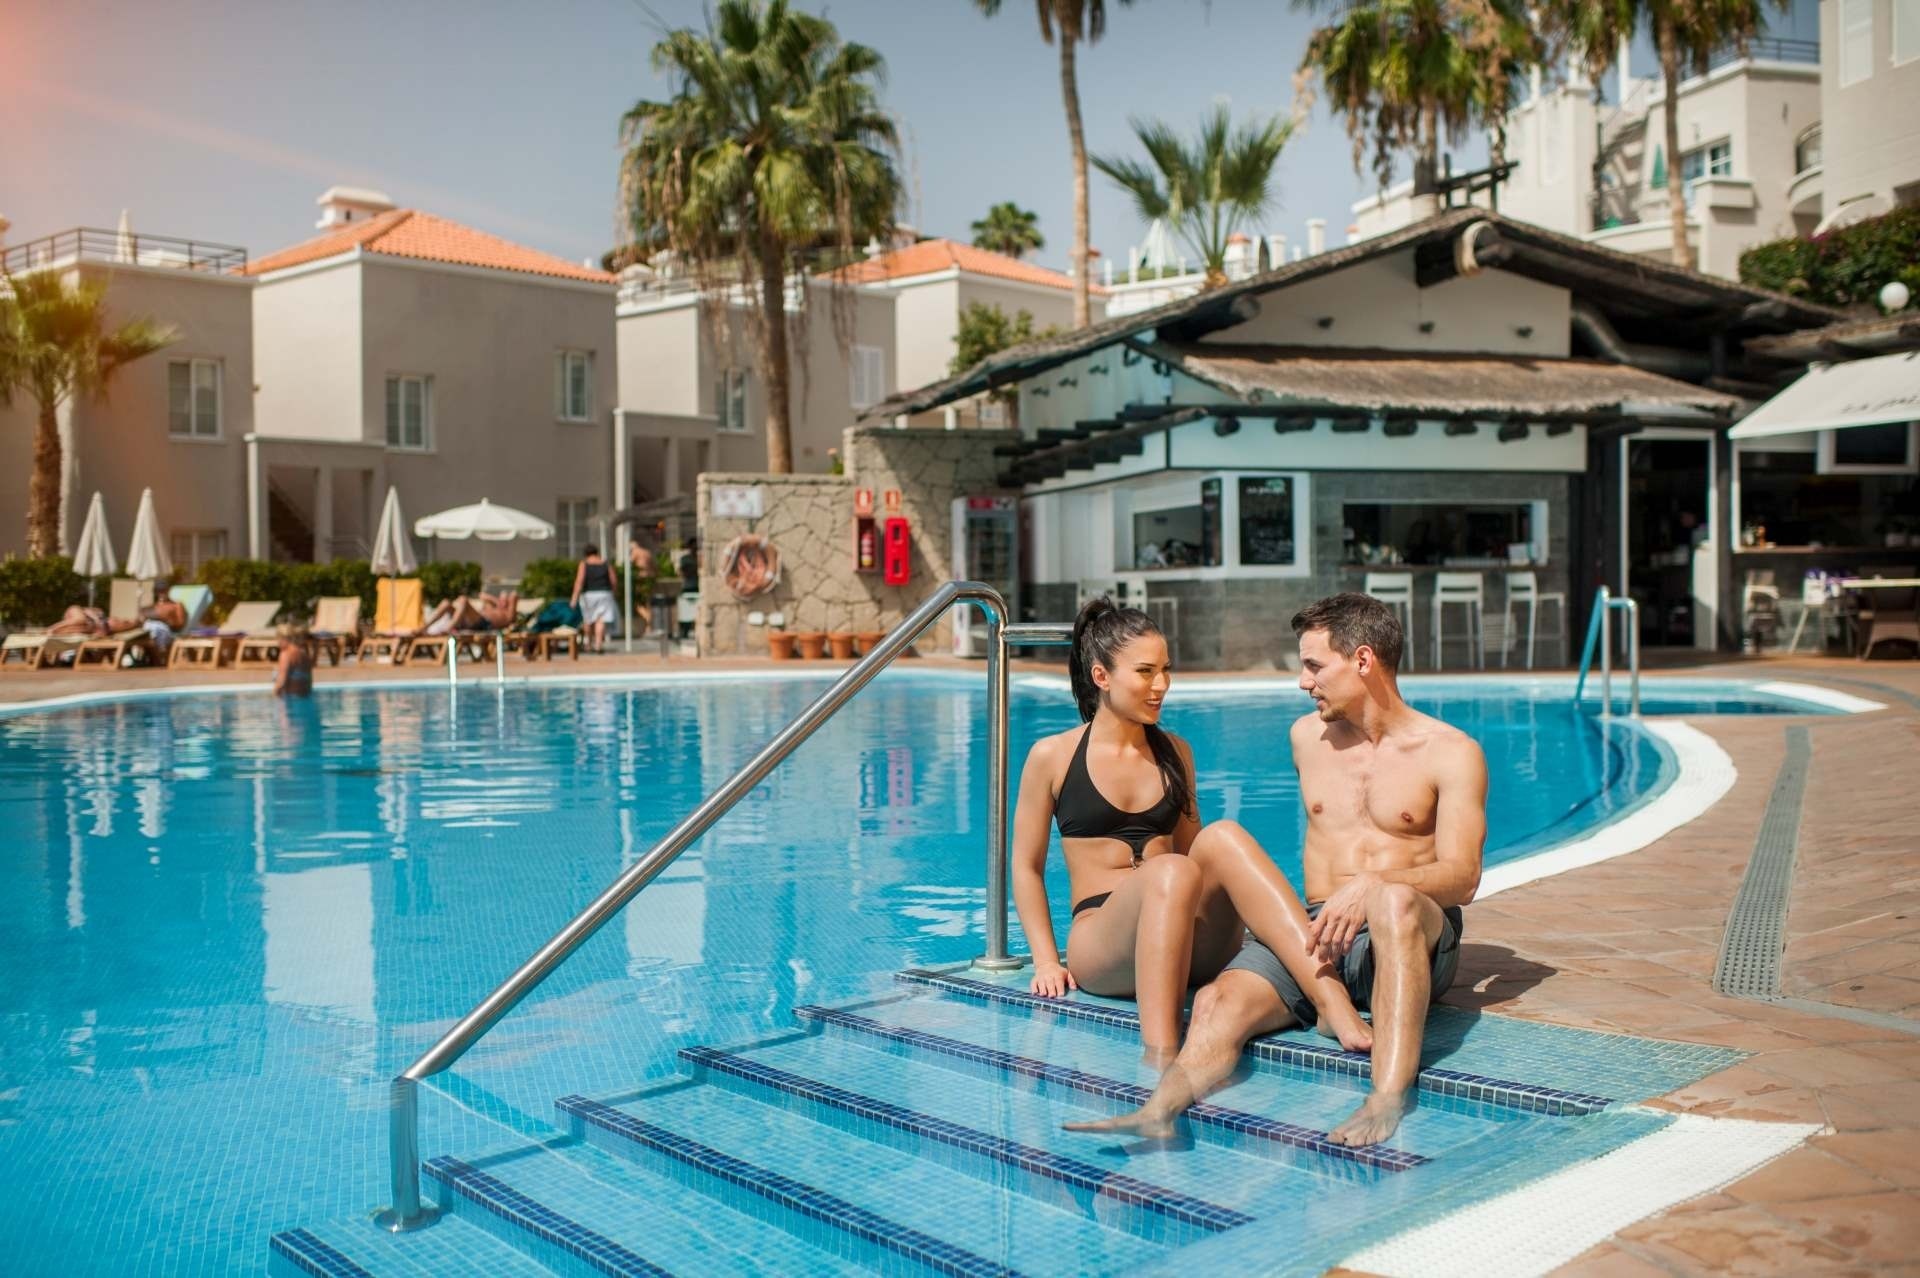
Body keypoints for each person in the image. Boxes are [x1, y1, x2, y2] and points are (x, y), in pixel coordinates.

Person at [1066, 592, 1486, 1148]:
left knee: (1393, 902)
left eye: (1313, 666)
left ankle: (1385, 1096)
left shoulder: (1451, 752)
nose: (1303, 682)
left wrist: (1377, 883)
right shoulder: (1305, 739)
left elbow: (1464, 877)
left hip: (1406, 932)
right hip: (1319, 934)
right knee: (1219, 1001)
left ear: (1362, 661)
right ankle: (1162, 1106)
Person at [1013, 598, 1369, 1063]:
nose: (1160, 685)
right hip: (1104, 946)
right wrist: (1044, 959)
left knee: (1221, 837)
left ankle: (1330, 1002)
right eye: (1145, 672)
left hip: (1185, 941)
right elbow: (1025, 866)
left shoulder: (1175, 752)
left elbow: (1198, 855)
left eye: (1165, 669)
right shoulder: (1052, 757)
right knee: (1171, 873)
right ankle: (1161, 1055)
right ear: (1102, 677)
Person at [570, 545, 617, 653]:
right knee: (600, 620)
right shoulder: (605, 563)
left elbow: (579, 581)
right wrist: (614, 593)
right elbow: (613, 580)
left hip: (589, 594)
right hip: (605, 593)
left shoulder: (584, 564)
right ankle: (598, 644)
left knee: (588, 619)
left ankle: (588, 643)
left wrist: (574, 598)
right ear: (597, 552)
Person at [272, 623, 313, 697]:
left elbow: (281, 682)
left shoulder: (285, 654)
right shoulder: (304, 655)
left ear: (283, 638)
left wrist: (274, 696)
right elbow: (309, 683)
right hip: (305, 699)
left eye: (277, 639)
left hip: (290, 699)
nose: (278, 643)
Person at [628, 536, 656, 637]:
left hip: (641, 579)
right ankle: (648, 626)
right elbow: (655, 567)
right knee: (647, 603)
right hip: (649, 578)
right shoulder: (647, 552)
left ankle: (648, 620)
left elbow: (629, 565)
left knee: (639, 604)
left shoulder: (635, 552)